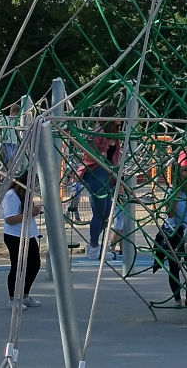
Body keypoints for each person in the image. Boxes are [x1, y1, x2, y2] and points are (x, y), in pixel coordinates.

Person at [155, 164, 187, 307]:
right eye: (185, 171)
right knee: (175, 266)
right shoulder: (171, 191)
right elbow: (170, 213)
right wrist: (175, 197)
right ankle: (177, 298)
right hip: (174, 231)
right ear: (177, 175)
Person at [77, 103, 122, 260]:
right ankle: (94, 247)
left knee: (107, 212)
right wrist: (100, 156)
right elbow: (87, 150)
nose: (120, 118)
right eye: (117, 115)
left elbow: (114, 158)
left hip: (107, 175)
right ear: (110, 117)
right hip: (95, 173)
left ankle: (93, 244)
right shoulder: (98, 133)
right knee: (99, 212)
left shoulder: (114, 136)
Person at [2, 171, 42, 308]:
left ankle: (25, 295)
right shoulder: (11, 195)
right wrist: (30, 213)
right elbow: (10, 219)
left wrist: (34, 211)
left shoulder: (26, 195)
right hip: (14, 235)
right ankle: (12, 299)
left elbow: (26, 213)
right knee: (17, 266)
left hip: (28, 234)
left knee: (35, 264)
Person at [0, 103, 21, 168]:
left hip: (14, 142)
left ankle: (5, 171)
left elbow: (19, 130)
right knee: (9, 157)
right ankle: (4, 170)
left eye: (17, 115)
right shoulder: (5, 119)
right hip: (6, 142)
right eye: (15, 114)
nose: (15, 116)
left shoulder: (16, 121)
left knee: (12, 158)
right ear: (11, 112)